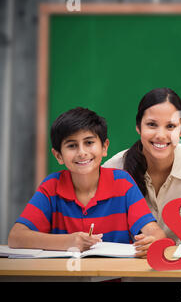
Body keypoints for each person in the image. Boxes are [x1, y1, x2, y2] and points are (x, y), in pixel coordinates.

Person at [8, 107, 165, 258]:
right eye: (72, 145)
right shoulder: (51, 187)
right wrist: (68, 241)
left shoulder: (122, 183)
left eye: (89, 143)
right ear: (58, 156)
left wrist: (152, 241)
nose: (82, 152)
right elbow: (16, 237)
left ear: (104, 147)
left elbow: (156, 233)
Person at [103, 88, 181, 244]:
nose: (161, 135)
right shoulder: (113, 169)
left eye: (170, 126)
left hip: (178, 263)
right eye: (152, 124)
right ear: (138, 127)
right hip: (127, 262)